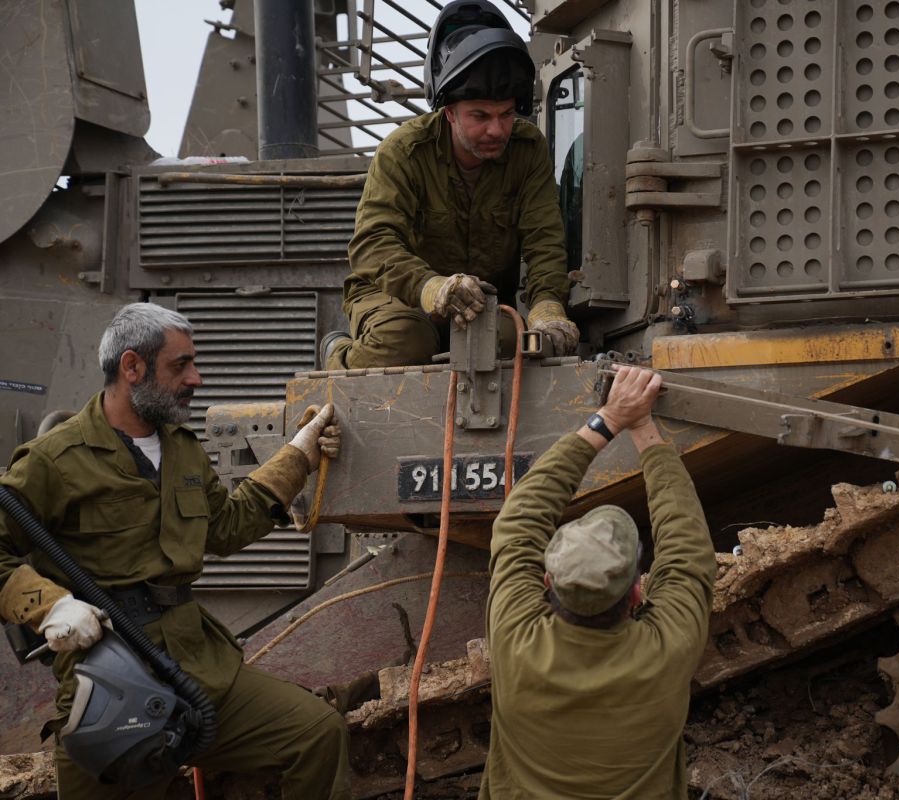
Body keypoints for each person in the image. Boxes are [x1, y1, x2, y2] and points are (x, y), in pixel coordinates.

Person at [0, 303, 351, 799]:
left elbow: (225, 527)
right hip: (111, 678)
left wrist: (297, 458)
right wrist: (50, 605)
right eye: (180, 365)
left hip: (197, 667)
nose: (196, 379)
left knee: (317, 733)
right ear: (132, 367)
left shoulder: (182, 447)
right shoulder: (55, 459)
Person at [480, 365, 716, 799]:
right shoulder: (666, 651)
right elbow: (686, 549)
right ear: (638, 593)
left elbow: (519, 522)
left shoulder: (517, 642)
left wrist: (608, 418)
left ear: (548, 582)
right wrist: (642, 425)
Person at [324, 0, 579, 370]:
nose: (496, 129)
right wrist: (430, 287)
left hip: (478, 305)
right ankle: (337, 354)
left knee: (517, 343)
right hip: (397, 298)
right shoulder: (405, 152)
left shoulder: (527, 149)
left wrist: (547, 304)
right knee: (406, 341)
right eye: (480, 116)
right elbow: (373, 245)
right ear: (449, 113)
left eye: (506, 114)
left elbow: (544, 239)